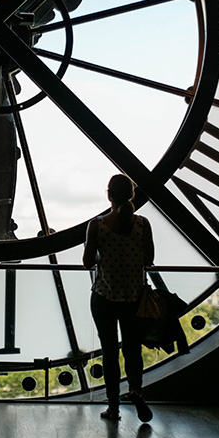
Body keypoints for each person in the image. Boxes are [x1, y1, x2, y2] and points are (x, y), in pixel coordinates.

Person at [83, 174, 154, 423]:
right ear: (131, 195)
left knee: (109, 353)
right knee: (133, 350)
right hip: (134, 298)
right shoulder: (142, 224)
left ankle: (113, 407)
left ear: (108, 195)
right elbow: (149, 260)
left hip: (104, 297)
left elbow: (87, 262)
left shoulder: (98, 225)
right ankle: (136, 390)